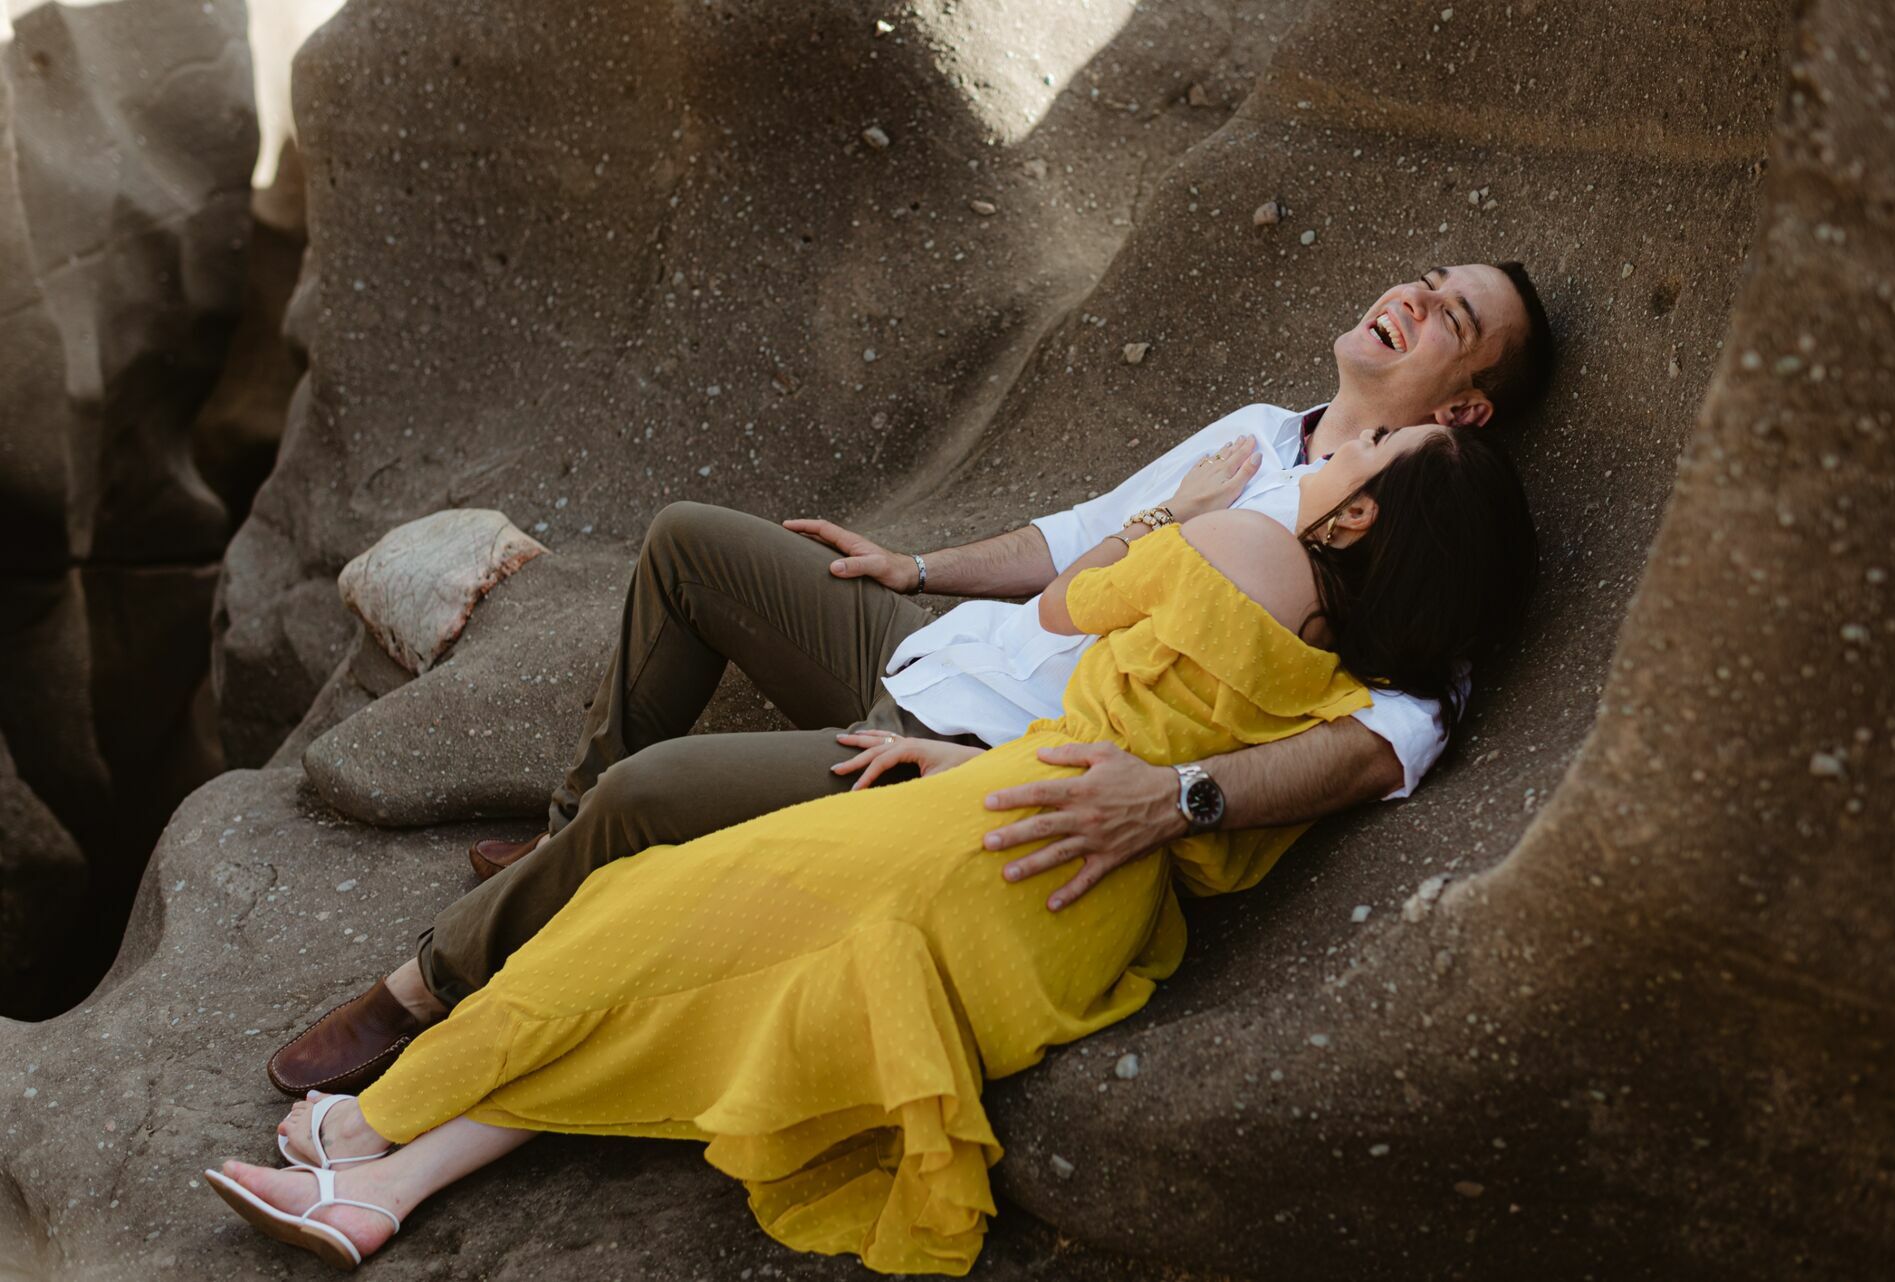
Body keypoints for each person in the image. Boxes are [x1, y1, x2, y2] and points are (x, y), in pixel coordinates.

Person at [207, 421, 1540, 1274]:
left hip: (972, 839)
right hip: (1076, 913)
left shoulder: (1244, 536)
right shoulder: (1367, 691)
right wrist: (932, 636)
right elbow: (1208, 761)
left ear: (1360, 516)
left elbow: (1078, 604)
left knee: (650, 910)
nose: (1341, 464)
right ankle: (379, 1180)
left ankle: (379, 1108)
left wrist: (1181, 516)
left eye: (1370, 462)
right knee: (704, 969)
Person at [265, 262, 1554, 1099]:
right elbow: (1065, 536)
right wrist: (916, 564)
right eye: (1428, 276)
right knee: (687, 545)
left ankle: (425, 986)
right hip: (930, 660)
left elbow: (1395, 734)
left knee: (656, 796)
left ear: (1470, 409)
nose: (1416, 293)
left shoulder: (1412, 548)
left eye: (1455, 316)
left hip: (957, 760)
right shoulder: (1253, 440)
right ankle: (567, 842)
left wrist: (1175, 799)